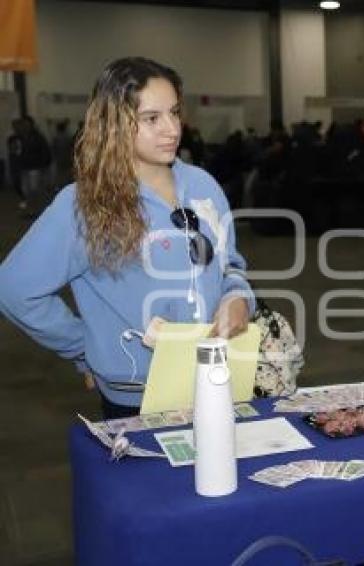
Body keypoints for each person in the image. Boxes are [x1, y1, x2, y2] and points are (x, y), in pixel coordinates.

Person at [0, 57, 255, 419]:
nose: (171, 129)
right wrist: (84, 348)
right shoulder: (84, 204)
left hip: (217, 378)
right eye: (152, 118)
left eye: (175, 112)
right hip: (138, 396)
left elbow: (230, 263)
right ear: (115, 124)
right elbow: (14, 288)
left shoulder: (202, 184)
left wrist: (238, 298)